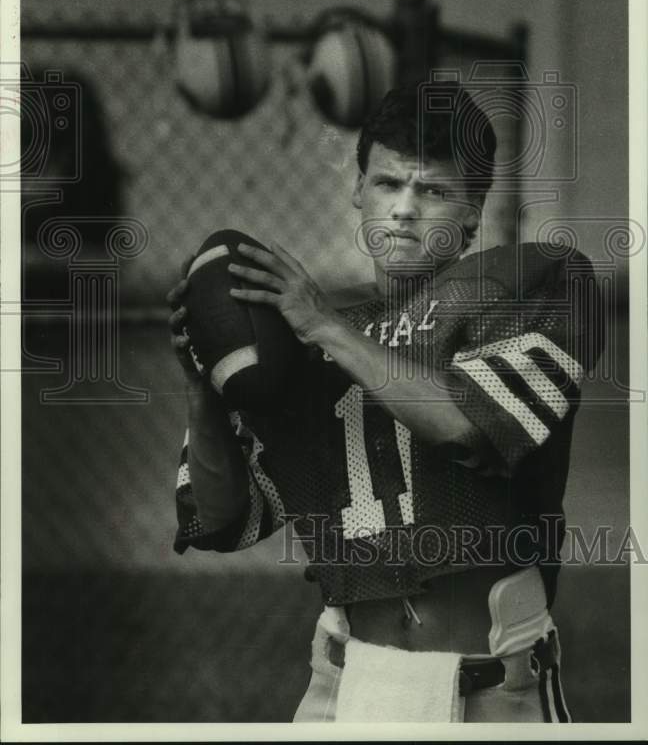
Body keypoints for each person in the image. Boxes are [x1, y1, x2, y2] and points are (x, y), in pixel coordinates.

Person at [167, 82, 602, 723]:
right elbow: (223, 521)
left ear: (474, 213)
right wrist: (202, 387)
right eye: (387, 183)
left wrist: (323, 328)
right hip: (343, 685)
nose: (403, 211)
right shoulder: (307, 344)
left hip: (488, 690)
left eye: (433, 191)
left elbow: (466, 425)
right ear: (358, 190)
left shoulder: (533, 287)